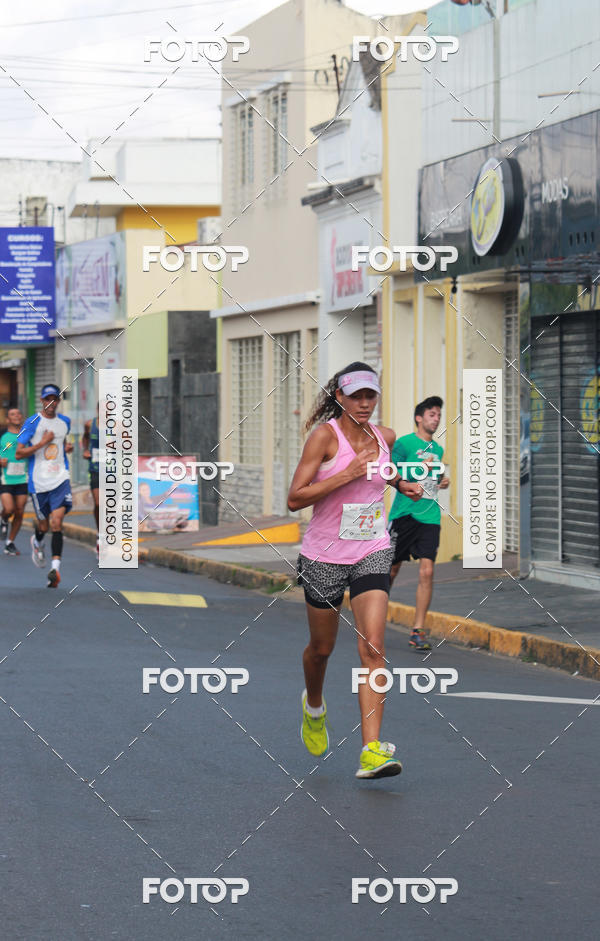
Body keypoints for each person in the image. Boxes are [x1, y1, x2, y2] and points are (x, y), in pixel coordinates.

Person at [287, 362, 422, 779]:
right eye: (356, 396)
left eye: (371, 395)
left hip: (372, 549)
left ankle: (372, 750)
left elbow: (384, 469)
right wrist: (346, 473)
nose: (364, 403)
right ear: (340, 397)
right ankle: (314, 706)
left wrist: (401, 484)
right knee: (321, 649)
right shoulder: (324, 437)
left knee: (374, 648)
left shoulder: (386, 437)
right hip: (324, 555)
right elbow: (295, 498)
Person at [388, 396, 449, 651]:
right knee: (391, 571)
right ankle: (373, 616)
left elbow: (436, 479)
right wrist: (412, 474)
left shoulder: (438, 451)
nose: (436, 419)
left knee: (427, 571)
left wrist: (443, 481)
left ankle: (418, 630)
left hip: (430, 516)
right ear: (419, 418)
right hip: (403, 515)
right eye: (432, 415)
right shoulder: (403, 444)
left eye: (438, 416)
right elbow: (389, 471)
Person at [15, 384, 73, 588]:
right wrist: (43, 442)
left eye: (55, 399)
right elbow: (18, 453)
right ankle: (37, 541)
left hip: (60, 478)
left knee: (57, 523)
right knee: (44, 525)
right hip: (38, 483)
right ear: (41, 401)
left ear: (58, 401)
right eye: (47, 399)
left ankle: (55, 570)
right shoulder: (32, 422)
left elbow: (61, 444)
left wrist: (66, 448)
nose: (51, 403)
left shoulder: (65, 421)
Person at [0, 407, 29, 555]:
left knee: (19, 511)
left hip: (22, 479)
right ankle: (4, 519)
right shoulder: (2, 436)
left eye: (18, 413)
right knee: (9, 509)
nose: (16, 416)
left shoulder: (27, 436)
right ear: (8, 419)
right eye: (12, 414)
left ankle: (10, 542)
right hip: (6, 479)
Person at [81, 403, 100, 557]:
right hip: (95, 468)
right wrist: (85, 450)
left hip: (113, 470)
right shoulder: (90, 424)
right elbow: (85, 439)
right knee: (99, 503)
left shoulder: (119, 427)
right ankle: (101, 535)